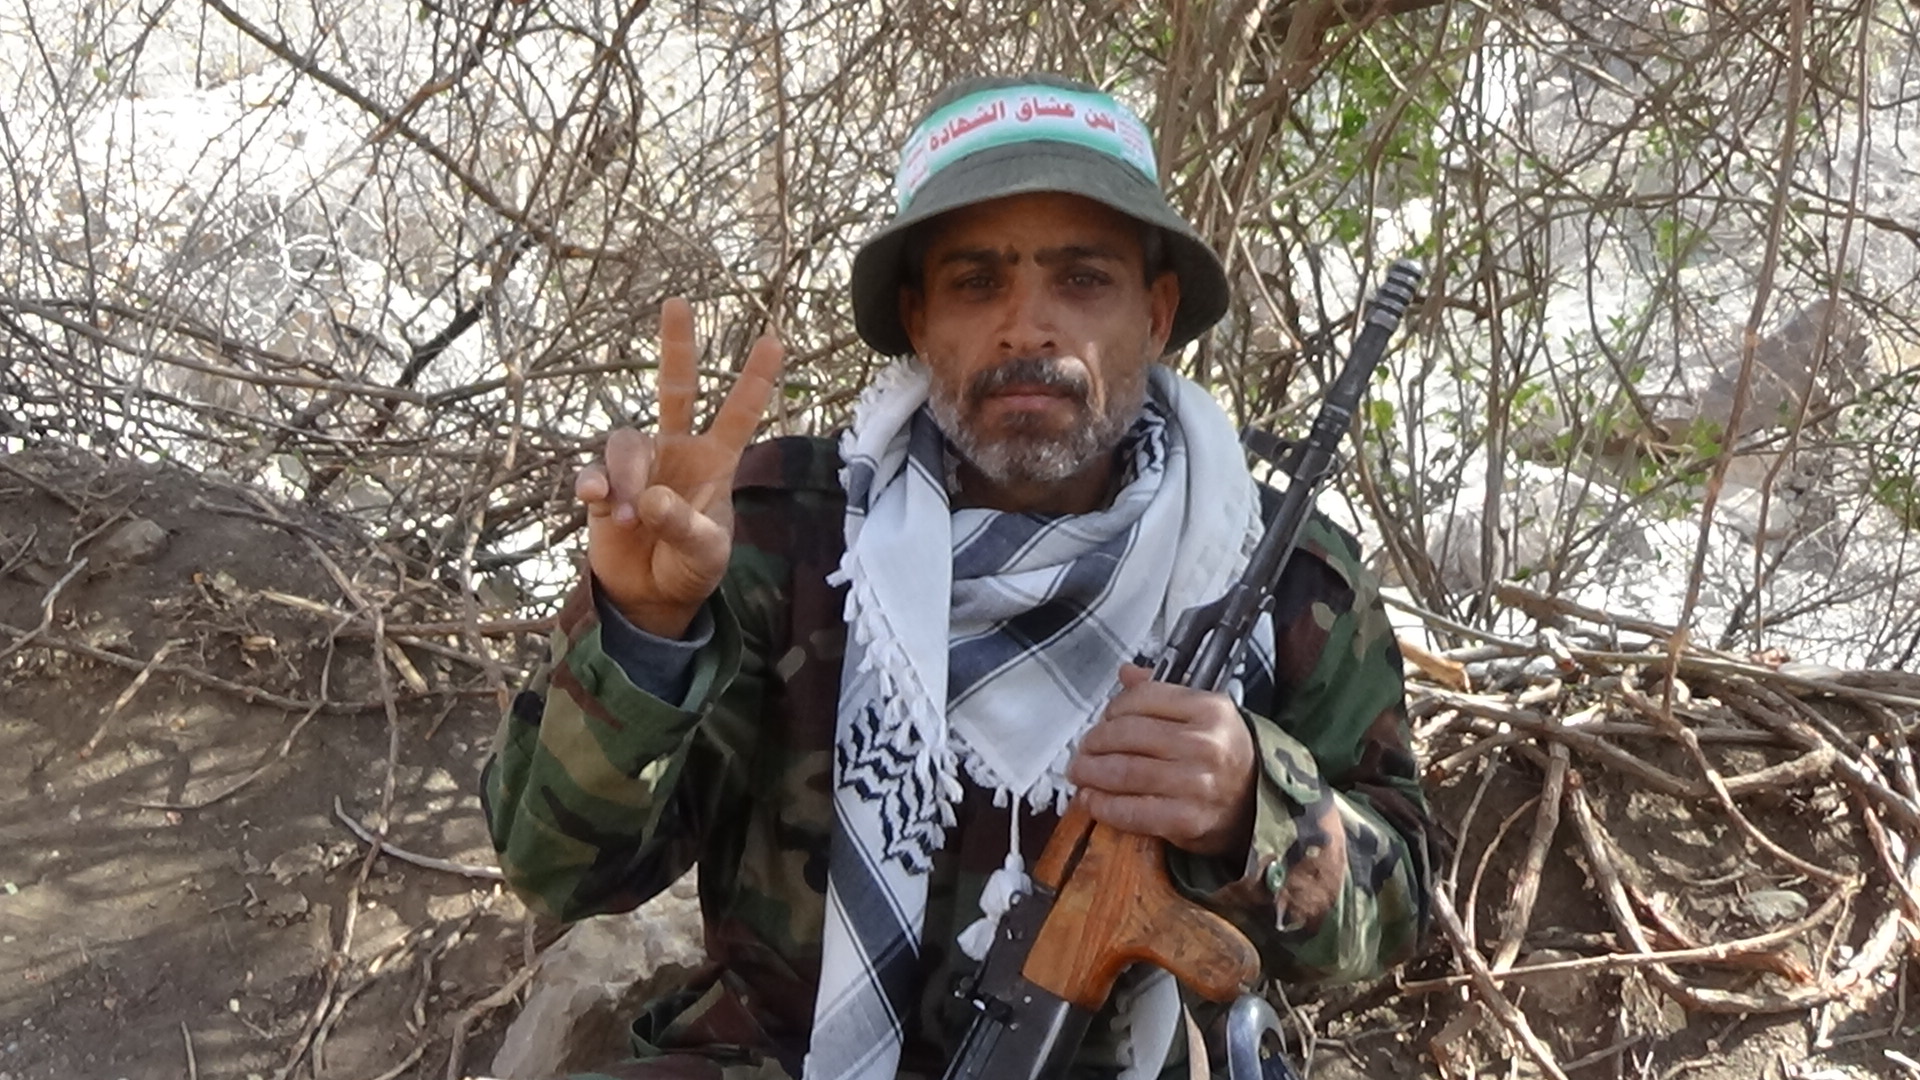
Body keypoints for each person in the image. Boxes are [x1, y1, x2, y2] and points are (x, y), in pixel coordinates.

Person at [482, 72, 1438, 1080]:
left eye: (1083, 280)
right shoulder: (770, 535)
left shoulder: (1279, 576)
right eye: (977, 284)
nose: (1027, 328)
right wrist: (644, 631)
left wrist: (1254, 805)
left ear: (1158, 314)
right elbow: (557, 873)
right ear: (918, 320)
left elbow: (1401, 905)